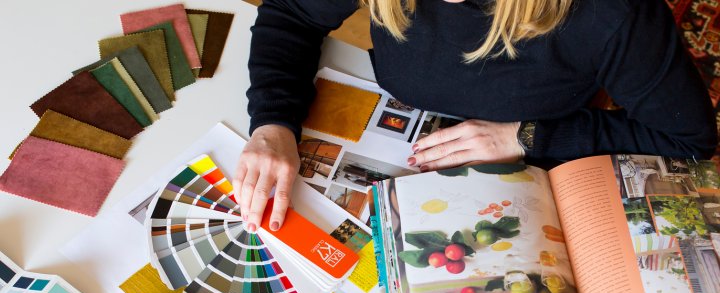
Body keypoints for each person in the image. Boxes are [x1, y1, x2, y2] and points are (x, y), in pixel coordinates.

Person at [235, 0, 717, 232]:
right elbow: (291, 15)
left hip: (539, 163)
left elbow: (688, 140)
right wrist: (273, 121)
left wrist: (531, 135)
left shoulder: (616, 13)